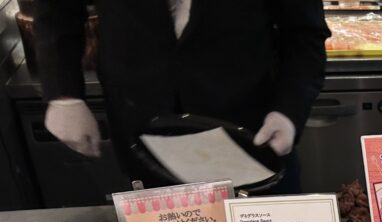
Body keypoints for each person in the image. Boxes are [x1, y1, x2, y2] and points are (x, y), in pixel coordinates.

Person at [33, 0, 330, 193]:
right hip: (141, 126)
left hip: (249, 130)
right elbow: (56, 11)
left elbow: (304, 34)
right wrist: (63, 93)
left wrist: (289, 110)